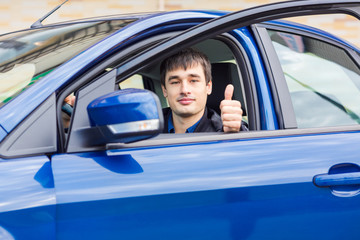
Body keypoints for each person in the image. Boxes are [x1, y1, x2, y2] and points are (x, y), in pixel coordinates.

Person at [160, 48, 248, 133]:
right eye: (175, 82)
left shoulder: (223, 129)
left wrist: (236, 133)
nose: (184, 90)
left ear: (208, 87)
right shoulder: (149, 125)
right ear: (164, 90)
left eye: (193, 81)